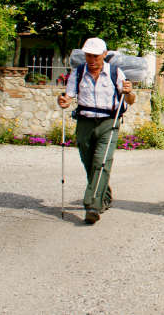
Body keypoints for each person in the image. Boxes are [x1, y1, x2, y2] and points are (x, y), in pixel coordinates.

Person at [57, 37, 136, 224]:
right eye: (88, 55)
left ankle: (92, 205)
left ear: (104, 55)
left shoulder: (116, 73)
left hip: (109, 122)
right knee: (89, 163)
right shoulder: (77, 73)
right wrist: (63, 101)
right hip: (84, 122)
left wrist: (130, 91)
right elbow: (68, 97)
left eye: (95, 56)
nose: (91, 60)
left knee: (102, 162)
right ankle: (104, 196)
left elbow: (130, 100)